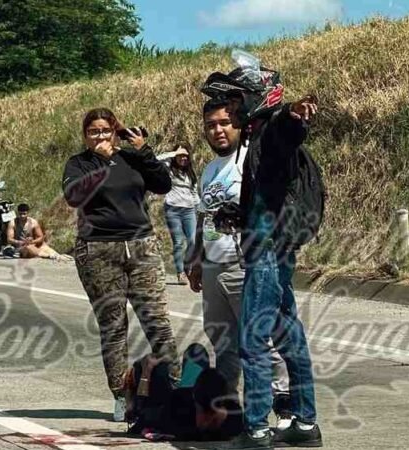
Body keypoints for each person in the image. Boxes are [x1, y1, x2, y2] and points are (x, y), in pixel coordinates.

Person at [201, 55, 323, 448]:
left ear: (258, 96)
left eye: (237, 101)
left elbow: (286, 136)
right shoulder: (255, 138)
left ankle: (255, 429)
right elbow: (269, 191)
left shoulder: (270, 129)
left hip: (268, 250)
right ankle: (305, 424)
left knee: (253, 339)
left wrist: (292, 115)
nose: (233, 109)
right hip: (271, 243)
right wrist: (239, 213)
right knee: (289, 335)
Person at [62, 107, 179, 422]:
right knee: (114, 327)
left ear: (116, 131)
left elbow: (163, 183)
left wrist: (143, 150)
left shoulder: (131, 157)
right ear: (85, 136)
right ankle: (121, 395)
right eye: (94, 131)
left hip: (141, 247)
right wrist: (101, 162)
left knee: (157, 323)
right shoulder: (79, 164)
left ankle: (175, 390)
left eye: (106, 130)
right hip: (98, 250)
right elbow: (73, 195)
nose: (100, 136)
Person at [185, 97, 293, 431]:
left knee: (262, 343)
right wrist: (198, 259)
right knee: (224, 345)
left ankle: (284, 409)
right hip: (215, 267)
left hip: (246, 265)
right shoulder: (209, 169)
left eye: (224, 122)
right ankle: (232, 412)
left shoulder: (249, 159)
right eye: (210, 125)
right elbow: (205, 217)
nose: (217, 130)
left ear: (239, 124)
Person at [158, 144, 200, 285]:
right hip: (173, 210)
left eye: (185, 155)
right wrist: (174, 152)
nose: (183, 158)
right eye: (180, 155)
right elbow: (156, 159)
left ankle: (187, 266)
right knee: (178, 243)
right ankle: (180, 272)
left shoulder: (190, 172)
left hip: (189, 210)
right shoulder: (169, 168)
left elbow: (194, 193)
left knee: (193, 241)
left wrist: (199, 209)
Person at [5, 203, 72, 261]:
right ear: (18, 213)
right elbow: (9, 239)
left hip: (32, 243)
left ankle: (58, 255)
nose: (22, 216)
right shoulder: (13, 223)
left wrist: (32, 241)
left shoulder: (33, 222)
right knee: (28, 248)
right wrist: (20, 242)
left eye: (24, 214)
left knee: (45, 247)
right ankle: (48, 256)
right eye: (20, 214)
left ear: (28, 213)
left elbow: (41, 237)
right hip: (20, 247)